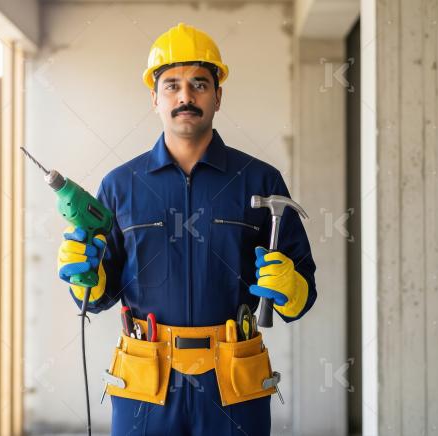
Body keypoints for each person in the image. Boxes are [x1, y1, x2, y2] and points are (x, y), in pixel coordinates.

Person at [57, 22, 317, 435]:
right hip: (146, 384)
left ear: (218, 95)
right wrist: (83, 274)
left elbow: (303, 295)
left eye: (199, 83)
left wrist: (292, 287)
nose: (185, 96)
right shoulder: (120, 186)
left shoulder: (260, 180)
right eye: (171, 85)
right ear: (154, 98)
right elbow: (98, 297)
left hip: (233, 384)